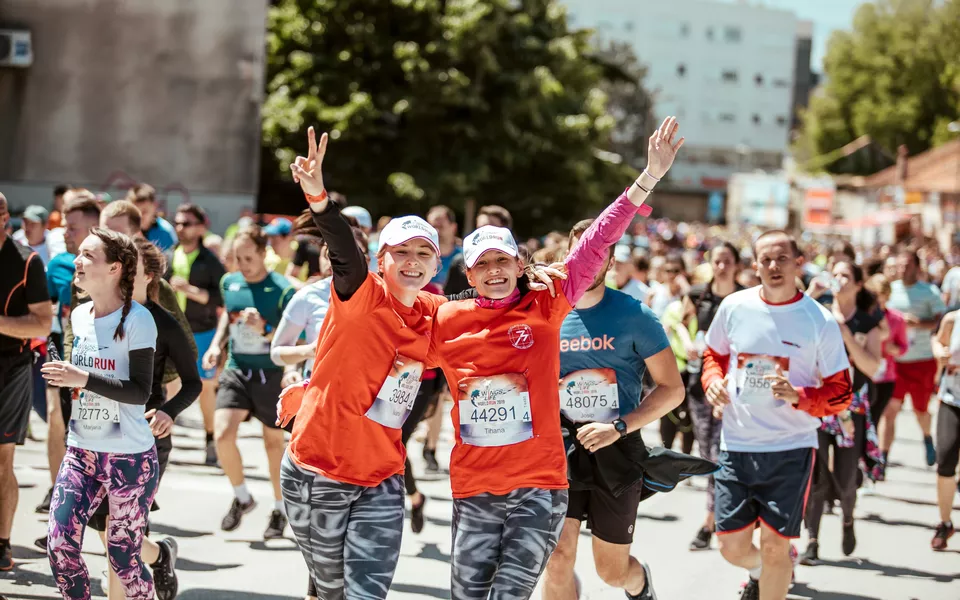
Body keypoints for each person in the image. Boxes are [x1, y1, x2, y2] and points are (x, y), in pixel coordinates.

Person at [431, 117, 683, 600]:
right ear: (469, 273)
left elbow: (598, 239)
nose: (494, 271)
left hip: (544, 479)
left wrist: (649, 176)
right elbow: (388, 348)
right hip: (476, 484)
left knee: (554, 582)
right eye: (482, 264)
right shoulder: (446, 318)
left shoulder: (548, 301)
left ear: (519, 264)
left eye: (502, 260)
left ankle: (636, 583)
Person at [276, 126, 449, 600]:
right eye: (401, 251)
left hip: (381, 479)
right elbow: (343, 249)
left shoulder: (436, 315)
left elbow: (491, 311)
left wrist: (532, 281)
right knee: (329, 593)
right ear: (380, 258)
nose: (412, 261)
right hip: (315, 472)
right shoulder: (362, 293)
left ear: (436, 265)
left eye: (424, 253)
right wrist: (318, 195)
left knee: (367, 595)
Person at [541, 218, 690, 600]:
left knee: (611, 571)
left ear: (611, 260)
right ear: (567, 256)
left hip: (616, 449)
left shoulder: (635, 315)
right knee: (557, 559)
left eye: (599, 251)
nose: (589, 258)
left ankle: (640, 586)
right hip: (561, 450)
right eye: (581, 250)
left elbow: (672, 389)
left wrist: (620, 426)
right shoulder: (548, 312)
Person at [701, 230, 853, 600]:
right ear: (754, 265)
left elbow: (841, 393)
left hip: (791, 448)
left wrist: (799, 396)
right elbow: (714, 355)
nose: (773, 266)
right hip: (737, 444)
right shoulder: (735, 306)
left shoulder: (819, 320)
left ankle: (775, 568)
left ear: (798, 263)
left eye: (782, 258)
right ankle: (761, 573)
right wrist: (713, 382)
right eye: (766, 259)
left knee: (774, 547)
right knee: (731, 546)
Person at [41, 228, 159, 599]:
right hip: (82, 451)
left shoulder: (138, 319)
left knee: (124, 560)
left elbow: (140, 391)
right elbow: (82, 381)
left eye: (88, 255)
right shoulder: (78, 316)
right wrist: (64, 375)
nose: (77, 261)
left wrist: (82, 377)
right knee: (59, 545)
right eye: (79, 253)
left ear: (114, 268)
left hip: (130, 458)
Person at [91, 238, 200, 600]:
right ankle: (160, 554)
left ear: (149, 276)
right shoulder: (101, 312)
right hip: (98, 430)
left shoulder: (163, 323)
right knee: (107, 529)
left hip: (146, 432)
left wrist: (169, 411)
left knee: (117, 529)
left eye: (130, 268)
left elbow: (193, 382)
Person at [201, 225, 295, 538]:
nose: (242, 265)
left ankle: (280, 509)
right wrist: (216, 346)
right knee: (222, 434)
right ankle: (242, 497)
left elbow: (294, 337)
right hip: (237, 368)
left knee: (273, 444)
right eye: (237, 258)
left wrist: (265, 329)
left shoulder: (282, 289)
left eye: (248, 258)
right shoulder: (230, 282)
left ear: (263, 253)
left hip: (271, 374)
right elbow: (227, 316)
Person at [800, 261, 885, 565]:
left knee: (847, 478)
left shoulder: (867, 321)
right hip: (818, 405)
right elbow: (789, 320)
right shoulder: (817, 310)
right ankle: (812, 540)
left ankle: (848, 517)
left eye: (845, 275)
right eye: (834, 274)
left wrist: (845, 334)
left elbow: (873, 367)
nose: (838, 280)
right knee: (816, 475)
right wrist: (811, 294)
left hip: (851, 407)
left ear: (859, 284)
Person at [34, 193, 101, 521]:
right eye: (64, 226)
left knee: (86, 429)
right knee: (54, 417)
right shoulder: (59, 265)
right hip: (61, 353)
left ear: (93, 228)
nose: (65, 232)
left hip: (95, 364)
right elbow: (47, 307)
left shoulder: (109, 267)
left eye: (72, 227)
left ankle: (90, 496)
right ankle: (57, 489)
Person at [0, 192, 53, 570]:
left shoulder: (26, 261)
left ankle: (2, 542)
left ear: (4, 216)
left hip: (10, 366)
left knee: (2, 460)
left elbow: (42, 323)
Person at [685, 242, 743, 551]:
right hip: (700, 385)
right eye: (717, 261)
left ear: (737, 265)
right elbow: (678, 322)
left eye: (727, 261)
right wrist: (687, 344)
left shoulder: (746, 298)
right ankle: (719, 515)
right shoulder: (698, 294)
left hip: (733, 389)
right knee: (708, 454)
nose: (721, 266)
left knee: (721, 456)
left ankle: (712, 521)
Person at [171, 203, 226, 466]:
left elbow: (221, 298)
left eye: (187, 223)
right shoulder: (169, 255)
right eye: (178, 223)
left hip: (202, 331)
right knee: (169, 385)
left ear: (201, 227)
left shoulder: (210, 261)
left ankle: (211, 438)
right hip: (172, 331)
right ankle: (161, 440)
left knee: (205, 388)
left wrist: (191, 291)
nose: (181, 228)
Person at [882, 250, 945, 467]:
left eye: (907, 265)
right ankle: (882, 458)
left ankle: (927, 438)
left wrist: (918, 323)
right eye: (899, 265)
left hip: (922, 361)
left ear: (917, 267)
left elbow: (941, 321)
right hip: (895, 363)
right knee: (890, 411)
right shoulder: (891, 290)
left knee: (921, 411)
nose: (903, 269)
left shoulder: (929, 292)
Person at [932, 307, 960, 550]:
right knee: (945, 459)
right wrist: (940, 352)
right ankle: (945, 522)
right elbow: (938, 341)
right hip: (953, 399)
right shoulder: (953, 319)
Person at [127, 184, 177, 256]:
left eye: (144, 212)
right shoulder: (122, 230)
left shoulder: (166, 231)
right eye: (135, 211)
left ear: (155, 206)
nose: (140, 216)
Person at [426, 205, 463, 288]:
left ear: (454, 227)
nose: (436, 231)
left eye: (441, 227)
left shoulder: (465, 259)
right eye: (432, 227)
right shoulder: (421, 256)